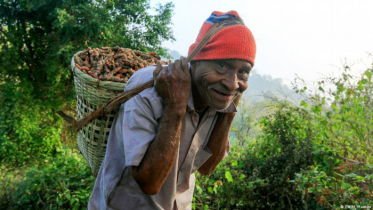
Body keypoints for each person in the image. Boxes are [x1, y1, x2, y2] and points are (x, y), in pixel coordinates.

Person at [88, 10, 256, 210]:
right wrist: (175, 106)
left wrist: (232, 101)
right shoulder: (149, 86)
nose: (231, 82)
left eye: (243, 71)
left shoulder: (218, 97)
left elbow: (207, 167)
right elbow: (149, 183)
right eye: (222, 65)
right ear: (196, 59)